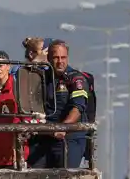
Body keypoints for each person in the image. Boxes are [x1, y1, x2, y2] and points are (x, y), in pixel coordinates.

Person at [28, 40, 90, 169]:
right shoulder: (41, 78)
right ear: (48, 58)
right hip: (45, 136)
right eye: (56, 57)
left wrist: (63, 127)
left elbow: (77, 108)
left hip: (69, 138)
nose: (60, 61)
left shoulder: (76, 78)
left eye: (63, 57)